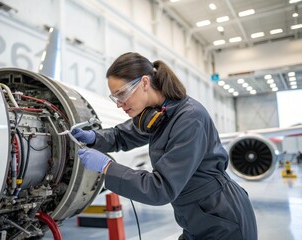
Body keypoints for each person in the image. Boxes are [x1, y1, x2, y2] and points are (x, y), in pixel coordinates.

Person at [72, 52, 258, 240]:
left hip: (221, 220)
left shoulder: (190, 118)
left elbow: (160, 189)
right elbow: (122, 135)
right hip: (195, 217)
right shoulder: (157, 115)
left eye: (122, 94)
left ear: (145, 82)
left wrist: (108, 167)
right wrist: (94, 137)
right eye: (115, 98)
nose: (119, 104)